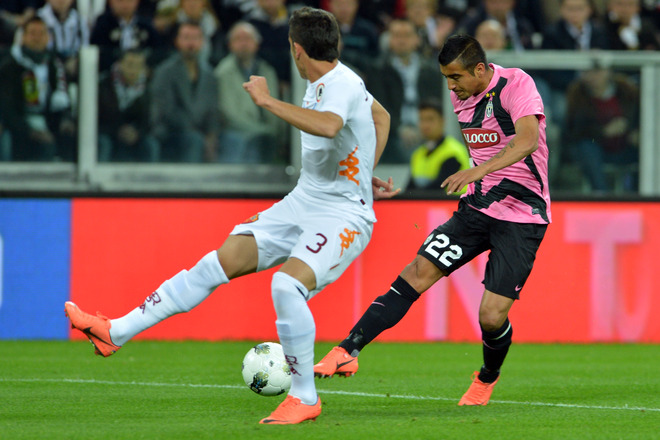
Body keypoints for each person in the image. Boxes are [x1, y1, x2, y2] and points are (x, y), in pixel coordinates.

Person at [64, 6, 398, 425]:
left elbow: (330, 127)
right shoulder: (326, 81)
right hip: (303, 201)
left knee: (286, 286)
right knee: (215, 263)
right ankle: (115, 331)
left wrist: (267, 100)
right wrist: (365, 174)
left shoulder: (341, 85)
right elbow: (381, 117)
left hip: (343, 216)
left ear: (296, 50)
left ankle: (305, 397)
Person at [315, 34, 551, 407]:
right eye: (445, 78)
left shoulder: (515, 84)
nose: (451, 87)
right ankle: (348, 349)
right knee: (417, 271)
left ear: (479, 69)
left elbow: (526, 141)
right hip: (475, 210)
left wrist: (477, 171)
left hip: (522, 216)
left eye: (455, 77)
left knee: (491, 316)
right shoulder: (461, 96)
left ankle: (487, 377)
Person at [367, 18, 443, 163]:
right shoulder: (377, 69)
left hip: (425, 127)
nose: (402, 40)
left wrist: (425, 127)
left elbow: (436, 103)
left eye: (407, 35)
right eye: (396, 35)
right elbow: (379, 105)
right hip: (393, 131)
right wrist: (398, 129)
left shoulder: (431, 70)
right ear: (389, 39)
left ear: (417, 39)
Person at [0, 16, 76, 161]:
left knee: (70, 136)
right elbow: (7, 109)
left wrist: (66, 120)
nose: (37, 38)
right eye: (32, 33)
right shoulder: (9, 67)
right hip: (19, 125)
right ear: (23, 37)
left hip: (48, 121)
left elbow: (63, 100)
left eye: (42, 33)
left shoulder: (55, 65)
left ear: (48, 38)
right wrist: (31, 131)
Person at [214, 21, 283, 164]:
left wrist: (271, 130)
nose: (243, 44)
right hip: (235, 131)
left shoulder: (267, 71)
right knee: (242, 141)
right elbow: (228, 114)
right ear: (230, 45)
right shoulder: (222, 72)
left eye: (247, 39)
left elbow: (276, 107)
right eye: (238, 39)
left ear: (256, 44)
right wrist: (261, 131)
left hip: (266, 133)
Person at [150, 21, 219, 162]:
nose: (191, 43)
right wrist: (196, 130)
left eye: (195, 38)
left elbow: (213, 111)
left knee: (229, 139)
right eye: (186, 37)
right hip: (169, 132)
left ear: (202, 42)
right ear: (177, 41)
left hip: (199, 132)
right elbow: (166, 110)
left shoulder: (210, 75)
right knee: (194, 140)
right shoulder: (165, 71)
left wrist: (212, 136)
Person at [564, 64, 639, 192]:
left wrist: (634, 132)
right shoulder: (577, 94)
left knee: (648, 147)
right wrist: (604, 132)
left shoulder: (628, 91)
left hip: (625, 146)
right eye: (587, 72)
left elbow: (640, 117)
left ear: (608, 71)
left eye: (596, 71)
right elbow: (573, 132)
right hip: (597, 149)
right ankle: (601, 194)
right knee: (586, 148)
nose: (592, 77)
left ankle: (639, 195)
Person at [98, 49, 161, 162]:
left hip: (137, 137)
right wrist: (118, 130)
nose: (133, 70)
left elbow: (151, 120)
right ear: (120, 64)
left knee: (151, 144)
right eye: (130, 65)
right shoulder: (104, 85)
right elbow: (96, 120)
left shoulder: (148, 89)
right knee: (103, 143)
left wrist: (137, 132)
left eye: (138, 66)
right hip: (109, 134)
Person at [406, 99, 470, 192]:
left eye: (430, 119)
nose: (425, 125)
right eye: (421, 119)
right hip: (427, 205)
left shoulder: (454, 152)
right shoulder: (417, 154)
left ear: (442, 121)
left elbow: (438, 188)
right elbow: (409, 189)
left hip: (454, 204)